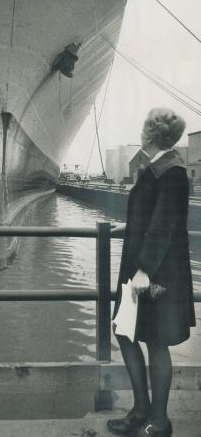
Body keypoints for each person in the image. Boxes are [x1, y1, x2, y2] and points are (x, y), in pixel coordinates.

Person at [108, 108, 195, 437]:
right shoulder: (157, 168)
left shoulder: (171, 172)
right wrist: (128, 226)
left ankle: (159, 421)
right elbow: (152, 216)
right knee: (126, 332)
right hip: (143, 268)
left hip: (155, 273)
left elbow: (162, 227)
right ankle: (141, 410)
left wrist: (144, 271)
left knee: (155, 342)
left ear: (149, 134)